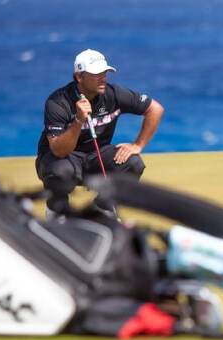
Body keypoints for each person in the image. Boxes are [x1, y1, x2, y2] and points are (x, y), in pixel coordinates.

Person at [36, 49, 164, 217]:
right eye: (96, 74)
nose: (103, 78)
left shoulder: (114, 94)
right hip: (61, 159)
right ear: (79, 77)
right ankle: (57, 213)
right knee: (59, 171)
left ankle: (102, 209)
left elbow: (155, 109)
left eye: (105, 72)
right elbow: (59, 150)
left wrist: (137, 145)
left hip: (95, 157)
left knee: (133, 163)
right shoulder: (58, 102)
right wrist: (79, 121)